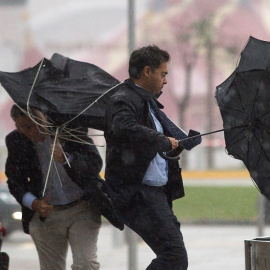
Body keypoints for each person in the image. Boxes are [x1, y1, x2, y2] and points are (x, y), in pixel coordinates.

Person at [104, 45, 201, 270]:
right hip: (137, 194)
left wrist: (171, 147)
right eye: (163, 74)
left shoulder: (147, 102)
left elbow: (145, 145)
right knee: (174, 256)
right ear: (147, 71)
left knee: (174, 255)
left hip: (153, 195)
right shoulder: (123, 98)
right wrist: (161, 140)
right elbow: (124, 126)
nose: (165, 81)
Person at [5, 105, 116, 270]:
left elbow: (94, 163)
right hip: (46, 215)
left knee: (86, 264)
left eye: (38, 122)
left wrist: (66, 158)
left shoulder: (69, 128)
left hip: (81, 208)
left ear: (45, 117)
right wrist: (33, 203)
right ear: (18, 128)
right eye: (28, 127)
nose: (36, 130)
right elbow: (14, 181)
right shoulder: (16, 141)